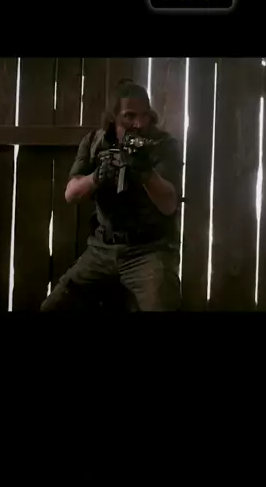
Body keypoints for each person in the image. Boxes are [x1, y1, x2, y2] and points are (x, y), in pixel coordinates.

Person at [41, 79, 182, 312]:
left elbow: (169, 204)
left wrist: (146, 172)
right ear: (113, 118)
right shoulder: (94, 142)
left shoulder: (162, 145)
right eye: (129, 116)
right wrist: (97, 177)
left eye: (145, 115)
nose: (139, 123)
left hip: (148, 251)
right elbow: (71, 194)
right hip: (102, 249)